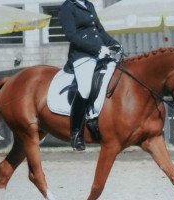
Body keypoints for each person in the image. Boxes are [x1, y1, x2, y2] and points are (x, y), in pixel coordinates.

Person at [58, 0, 121, 151]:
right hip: (82, 56)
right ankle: (75, 133)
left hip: (100, 52)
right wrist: (96, 49)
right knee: (85, 89)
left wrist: (114, 43)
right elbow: (71, 35)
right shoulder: (68, 7)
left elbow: (99, 30)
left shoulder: (89, 4)